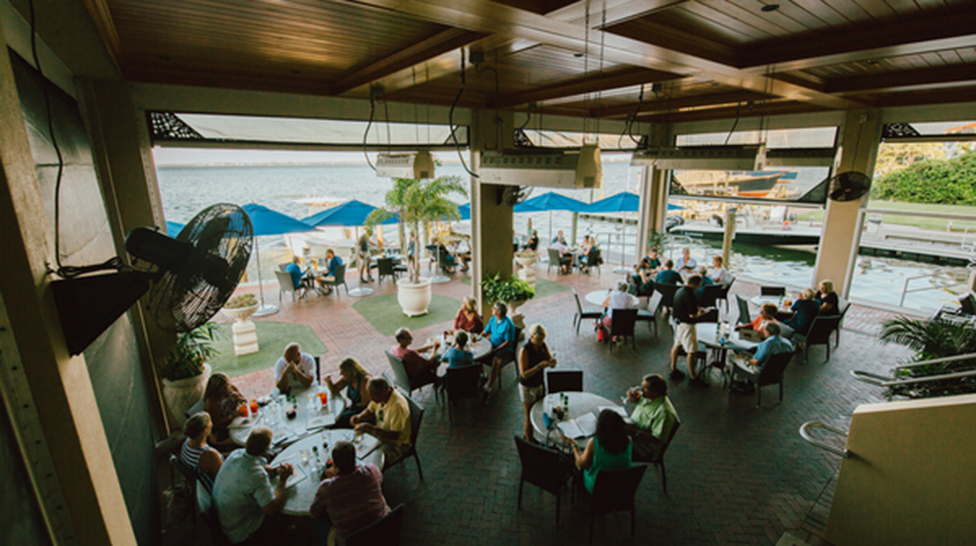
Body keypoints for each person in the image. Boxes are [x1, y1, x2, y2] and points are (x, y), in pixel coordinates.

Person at [212, 427, 293, 545]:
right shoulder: (257, 476)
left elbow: (257, 465)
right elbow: (271, 508)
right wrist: (283, 480)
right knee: (285, 505)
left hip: (226, 520)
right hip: (242, 532)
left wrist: (276, 471)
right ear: (267, 449)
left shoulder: (236, 454)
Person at [309, 441, 390, 545]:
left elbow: (314, 513)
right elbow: (380, 480)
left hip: (351, 541)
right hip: (382, 530)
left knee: (318, 521)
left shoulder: (327, 488)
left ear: (334, 464)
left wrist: (333, 478)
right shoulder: (371, 471)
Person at [350, 377, 411, 466]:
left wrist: (372, 429)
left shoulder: (398, 406)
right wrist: (359, 417)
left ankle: (374, 477)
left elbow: (395, 435)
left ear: (384, 391)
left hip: (397, 444)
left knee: (369, 462)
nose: (372, 399)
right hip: (380, 436)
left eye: (374, 396)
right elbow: (370, 410)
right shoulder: (379, 397)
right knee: (355, 448)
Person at [568, 410, 632, 494]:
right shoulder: (629, 441)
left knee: (575, 462)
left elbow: (583, 464)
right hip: (620, 486)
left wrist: (574, 446)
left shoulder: (594, 443)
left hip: (598, 489)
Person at [624, 374, 679, 462]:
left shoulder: (664, 413)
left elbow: (657, 438)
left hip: (643, 448)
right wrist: (634, 399)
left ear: (656, 392)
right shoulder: (648, 396)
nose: (641, 390)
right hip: (632, 433)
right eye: (641, 386)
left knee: (604, 445)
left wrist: (635, 432)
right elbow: (642, 403)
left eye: (645, 388)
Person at [518, 324, 555, 443]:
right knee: (529, 417)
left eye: (542, 339)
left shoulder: (543, 346)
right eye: (538, 339)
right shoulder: (525, 350)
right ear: (531, 337)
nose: (541, 342)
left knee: (540, 412)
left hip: (539, 383)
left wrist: (552, 362)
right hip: (527, 387)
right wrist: (538, 366)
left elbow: (549, 360)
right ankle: (529, 441)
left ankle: (538, 439)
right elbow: (524, 374)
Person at [670, 275, 708, 382]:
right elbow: (692, 315)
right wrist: (701, 313)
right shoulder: (690, 295)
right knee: (691, 351)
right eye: (699, 285)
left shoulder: (679, 291)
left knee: (676, 345)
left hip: (678, 323)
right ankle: (693, 376)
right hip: (688, 325)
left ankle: (673, 369)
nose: (699, 287)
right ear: (694, 284)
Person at [180, 412, 223, 500]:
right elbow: (223, 478)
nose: (212, 424)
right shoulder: (209, 455)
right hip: (216, 490)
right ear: (205, 430)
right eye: (210, 422)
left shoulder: (187, 442)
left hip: (197, 486)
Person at [479, 301, 517, 400]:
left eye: (494, 308)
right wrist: (479, 337)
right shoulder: (493, 320)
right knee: (478, 354)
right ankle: (482, 376)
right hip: (492, 345)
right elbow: (485, 331)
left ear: (499, 312)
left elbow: (508, 342)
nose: (492, 309)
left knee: (496, 361)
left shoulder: (508, 324)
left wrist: (496, 350)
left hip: (504, 349)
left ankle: (489, 386)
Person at [324, 357, 373, 429]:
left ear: (351, 371)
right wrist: (329, 381)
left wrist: (348, 409)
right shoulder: (348, 378)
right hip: (354, 408)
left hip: (363, 412)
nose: (340, 373)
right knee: (332, 418)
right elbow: (335, 389)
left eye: (343, 371)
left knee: (335, 422)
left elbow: (365, 404)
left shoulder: (364, 380)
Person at [203, 372, 246, 448]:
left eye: (228, 385)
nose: (227, 389)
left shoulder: (232, 388)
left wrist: (239, 399)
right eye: (224, 388)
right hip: (224, 429)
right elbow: (216, 423)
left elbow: (245, 402)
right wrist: (233, 416)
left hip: (237, 421)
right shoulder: (212, 402)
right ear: (216, 389)